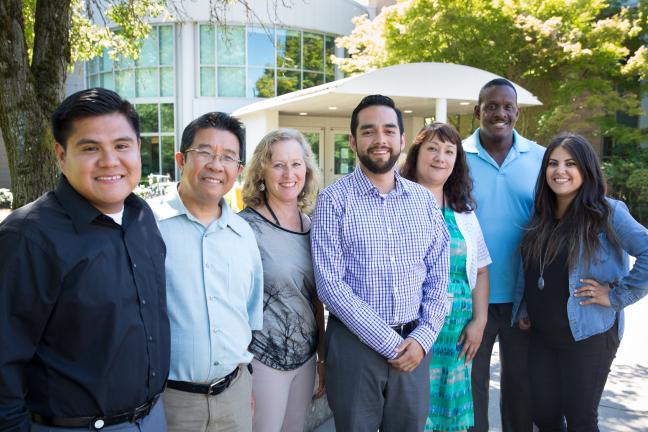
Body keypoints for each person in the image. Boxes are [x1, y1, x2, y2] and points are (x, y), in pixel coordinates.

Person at [0, 88, 169, 431]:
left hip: (153, 418)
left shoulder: (141, 216)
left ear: (138, 148)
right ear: (61, 156)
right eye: (90, 148)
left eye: (122, 146)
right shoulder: (28, 237)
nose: (109, 161)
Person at [311, 94, 450, 432]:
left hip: (415, 346)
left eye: (389, 131)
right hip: (354, 349)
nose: (380, 140)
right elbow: (330, 286)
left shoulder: (422, 200)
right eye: (369, 131)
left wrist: (423, 337)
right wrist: (390, 344)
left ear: (402, 140)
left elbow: (439, 274)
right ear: (353, 140)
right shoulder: (333, 200)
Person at [512, 133, 648, 431]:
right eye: (553, 163)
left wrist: (615, 296)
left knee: (581, 419)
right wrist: (524, 310)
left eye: (570, 163)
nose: (560, 170)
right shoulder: (541, 215)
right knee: (544, 414)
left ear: (586, 169)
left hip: (589, 334)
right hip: (542, 335)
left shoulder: (607, 212)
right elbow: (533, 271)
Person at [148, 112, 263, 432]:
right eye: (205, 153)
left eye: (228, 157)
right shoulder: (147, 227)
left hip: (234, 396)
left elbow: (250, 314)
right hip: (168, 401)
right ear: (181, 159)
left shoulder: (244, 233)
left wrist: (245, 384)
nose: (216, 164)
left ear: (238, 170)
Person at [463, 78, 545, 432]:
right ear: (477, 110)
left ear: (517, 112)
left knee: (520, 389)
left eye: (507, 106)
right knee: (470, 388)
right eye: (491, 106)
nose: (500, 112)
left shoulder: (541, 158)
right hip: (469, 299)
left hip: (522, 299)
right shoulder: (455, 156)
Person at [401, 122, 491, 431]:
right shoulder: (397, 204)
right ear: (417, 155)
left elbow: (480, 268)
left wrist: (479, 322)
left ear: (456, 162)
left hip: (457, 339)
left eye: (449, 151)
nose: (441, 157)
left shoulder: (463, 212)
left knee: (449, 417)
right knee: (414, 413)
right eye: (433, 149)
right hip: (415, 333)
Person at [239, 128, 326, 432]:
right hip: (262, 362)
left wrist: (322, 359)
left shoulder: (314, 226)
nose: (289, 173)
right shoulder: (245, 228)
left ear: (307, 170)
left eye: (296, 164)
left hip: (305, 359)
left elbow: (317, 299)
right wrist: (240, 374)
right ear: (261, 171)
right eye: (278, 164)